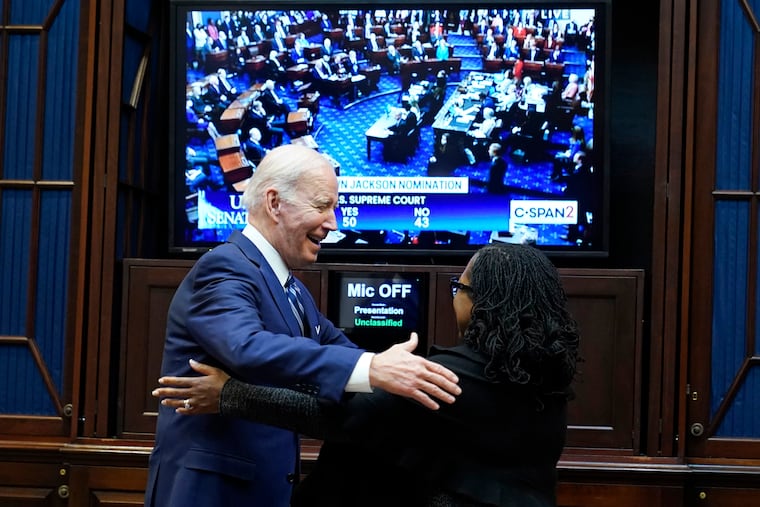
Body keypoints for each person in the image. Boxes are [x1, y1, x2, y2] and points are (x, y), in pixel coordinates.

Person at [145, 145, 461, 507]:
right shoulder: (225, 267)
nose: (333, 222)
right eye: (322, 205)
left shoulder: (290, 287)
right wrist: (372, 368)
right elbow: (247, 347)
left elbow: (338, 351)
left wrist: (397, 373)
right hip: (212, 493)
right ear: (275, 203)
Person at [154, 242, 581, 507]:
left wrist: (230, 394)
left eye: (460, 288)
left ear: (483, 302)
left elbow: (337, 416)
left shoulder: (447, 380)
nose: (456, 300)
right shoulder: (546, 379)